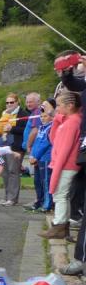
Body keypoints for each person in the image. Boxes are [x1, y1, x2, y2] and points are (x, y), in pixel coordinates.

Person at [40, 89, 82, 239]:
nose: (56, 108)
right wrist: (57, 121)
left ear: (69, 106)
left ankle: (59, 225)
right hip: (62, 164)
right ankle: (61, 225)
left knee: (60, 195)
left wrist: (57, 168)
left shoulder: (72, 122)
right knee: (61, 194)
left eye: (58, 105)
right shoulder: (68, 121)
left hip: (66, 165)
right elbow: (53, 139)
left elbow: (65, 149)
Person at [0, 92, 25, 206]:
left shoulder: (23, 114)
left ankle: (13, 198)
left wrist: (12, 128)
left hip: (15, 146)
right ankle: (7, 196)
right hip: (3, 145)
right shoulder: (4, 113)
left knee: (13, 171)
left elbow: (25, 130)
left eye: (11, 102)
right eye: (7, 103)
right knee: (5, 172)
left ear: (17, 102)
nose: (9, 104)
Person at [26, 98, 55, 213]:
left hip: (46, 158)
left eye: (45, 116)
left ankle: (47, 204)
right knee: (38, 181)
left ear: (51, 117)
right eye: (41, 116)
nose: (42, 118)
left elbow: (45, 143)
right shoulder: (41, 127)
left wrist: (36, 156)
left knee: (46, 182)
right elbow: (37, 143)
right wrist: (32, 155)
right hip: (38, 158)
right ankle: (40, 201)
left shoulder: (51, 127)